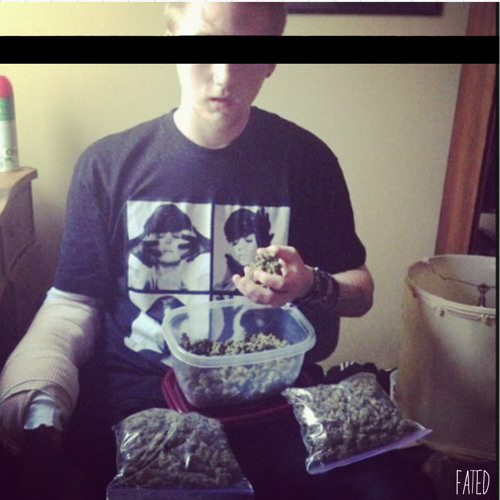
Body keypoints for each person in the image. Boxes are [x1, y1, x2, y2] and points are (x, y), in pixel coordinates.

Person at [0, 4, 438, 500]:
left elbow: (360, 292)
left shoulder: (308, 161)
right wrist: (41, 402)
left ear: (272, 60)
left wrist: (311, 284)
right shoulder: (107, 165)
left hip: (277, 399)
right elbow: (71, 305)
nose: (224, 75)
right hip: (143, 399)